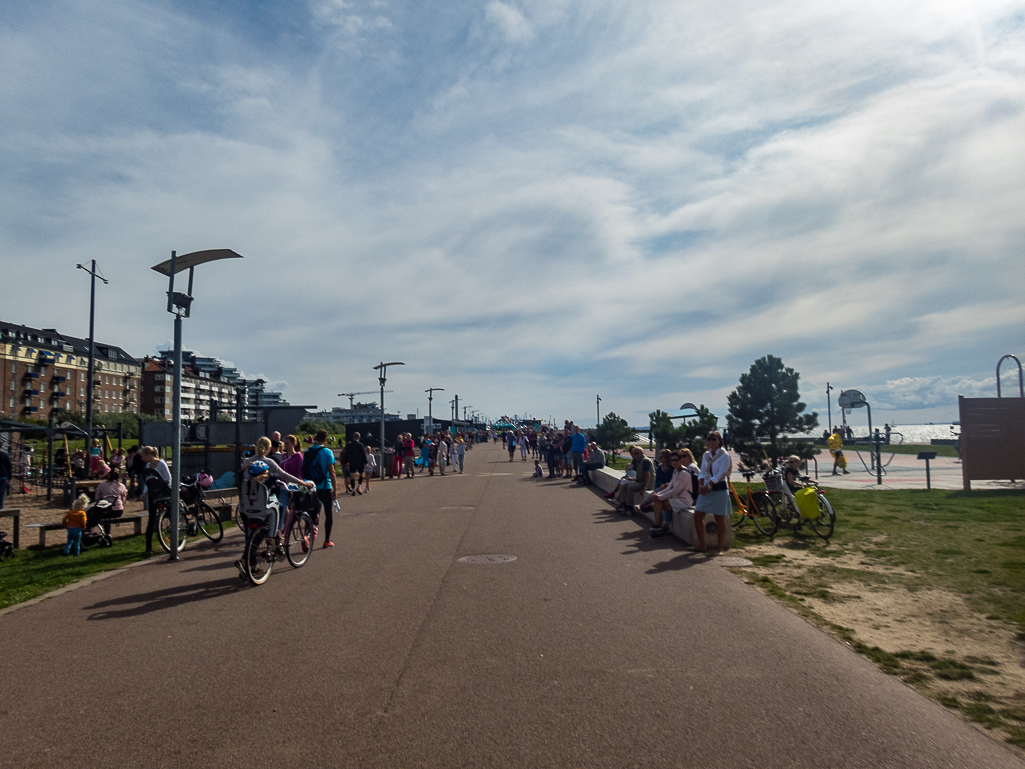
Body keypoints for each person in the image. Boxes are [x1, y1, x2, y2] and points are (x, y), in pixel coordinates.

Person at [694, 431, 731, 555]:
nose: (711, 441)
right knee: (697, 514)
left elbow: (721, 473)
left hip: (718, 489)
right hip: (705, 489)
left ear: (720, 441)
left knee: (719, 518)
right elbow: (703, 471)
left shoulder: (724, 455)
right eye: (709, 439)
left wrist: (708, 486)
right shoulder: (706, 455)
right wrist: (700, 484)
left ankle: (719, 548)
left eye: (714, 439)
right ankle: (701, 544)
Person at [649, 449, 698, 537]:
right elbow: (670, 487)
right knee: (657, 503)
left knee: (657, 503)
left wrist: (659, 497)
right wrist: (658, 495)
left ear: (680, 460)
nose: (674, 462)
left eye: (676, 460)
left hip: (684, 500)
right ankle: (658, 527)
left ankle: (657, 526)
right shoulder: (676, 471)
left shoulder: (684, 473)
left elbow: (675, 490)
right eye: (672, 460)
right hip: (676, 498)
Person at [303, 430, 338, 548]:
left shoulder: (308, 452)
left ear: (315, 438)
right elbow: (331, 472)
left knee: (310, 511)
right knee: (328, 513)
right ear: (326, 439)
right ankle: (327, 540)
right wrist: (335, 489)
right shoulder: (327, 452)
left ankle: (306, 536)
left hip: (310, 486)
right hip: (324, 486)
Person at [139, 446, 171, 557]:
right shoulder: (148, 466)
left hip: (163, 494)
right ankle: (148, 547)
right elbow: (148, 482)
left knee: (170, 515)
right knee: (151, 519)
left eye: (143, 456)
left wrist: (162, 493)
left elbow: (168, 479)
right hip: (153, 494)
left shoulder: (161, 464)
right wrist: (144, 492)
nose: (142, 458)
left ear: (149, 455)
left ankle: (175, 539)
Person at [614, 446, 654, 513]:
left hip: (647, 483)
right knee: (624, 486)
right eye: (634, 453)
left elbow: (648, 475)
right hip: (640, 481)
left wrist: (645, 487)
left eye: (637, 453)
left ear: (641, 453)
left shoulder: (645, 461)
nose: (635, 455)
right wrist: (633, 478)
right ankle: (624, 504)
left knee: (630, 487)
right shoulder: (638, 461)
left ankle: (630, 508)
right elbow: (639, 474)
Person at [0, 441, 10, 510]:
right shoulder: (4, 455)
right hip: (3, 476)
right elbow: (9, 467)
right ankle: (0, 507)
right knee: (1, 493)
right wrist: (10, 478)